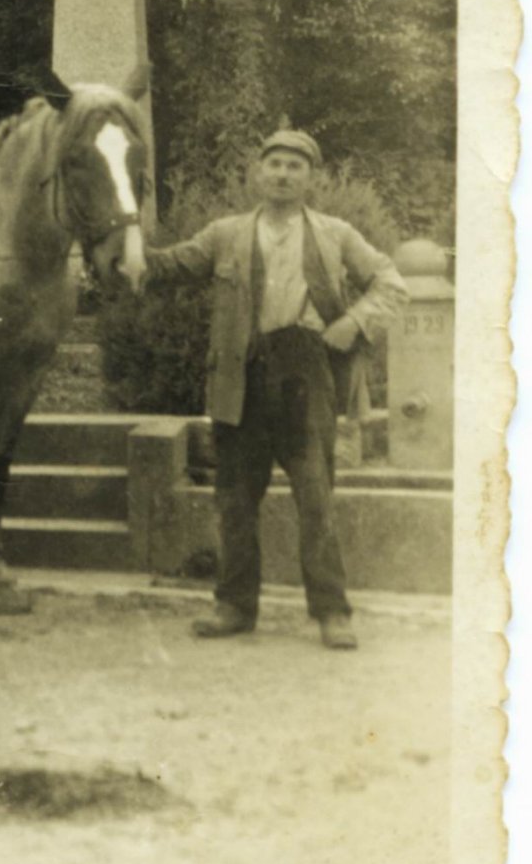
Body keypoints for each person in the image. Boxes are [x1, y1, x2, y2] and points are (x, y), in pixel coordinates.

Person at [143, 128, 407, 650]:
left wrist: (354, 322)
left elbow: (391, 282)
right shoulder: (226, 234)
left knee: (316, 498)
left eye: (295, 166)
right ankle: (234, 606)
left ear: (312, 177)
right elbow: (170, 265)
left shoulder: (335, 234)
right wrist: (125, 244)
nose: (283, 174)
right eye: (275, 164)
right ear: (258, 173)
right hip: (240, 378)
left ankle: (332, 611)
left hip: (306, 378)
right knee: (235, 501)